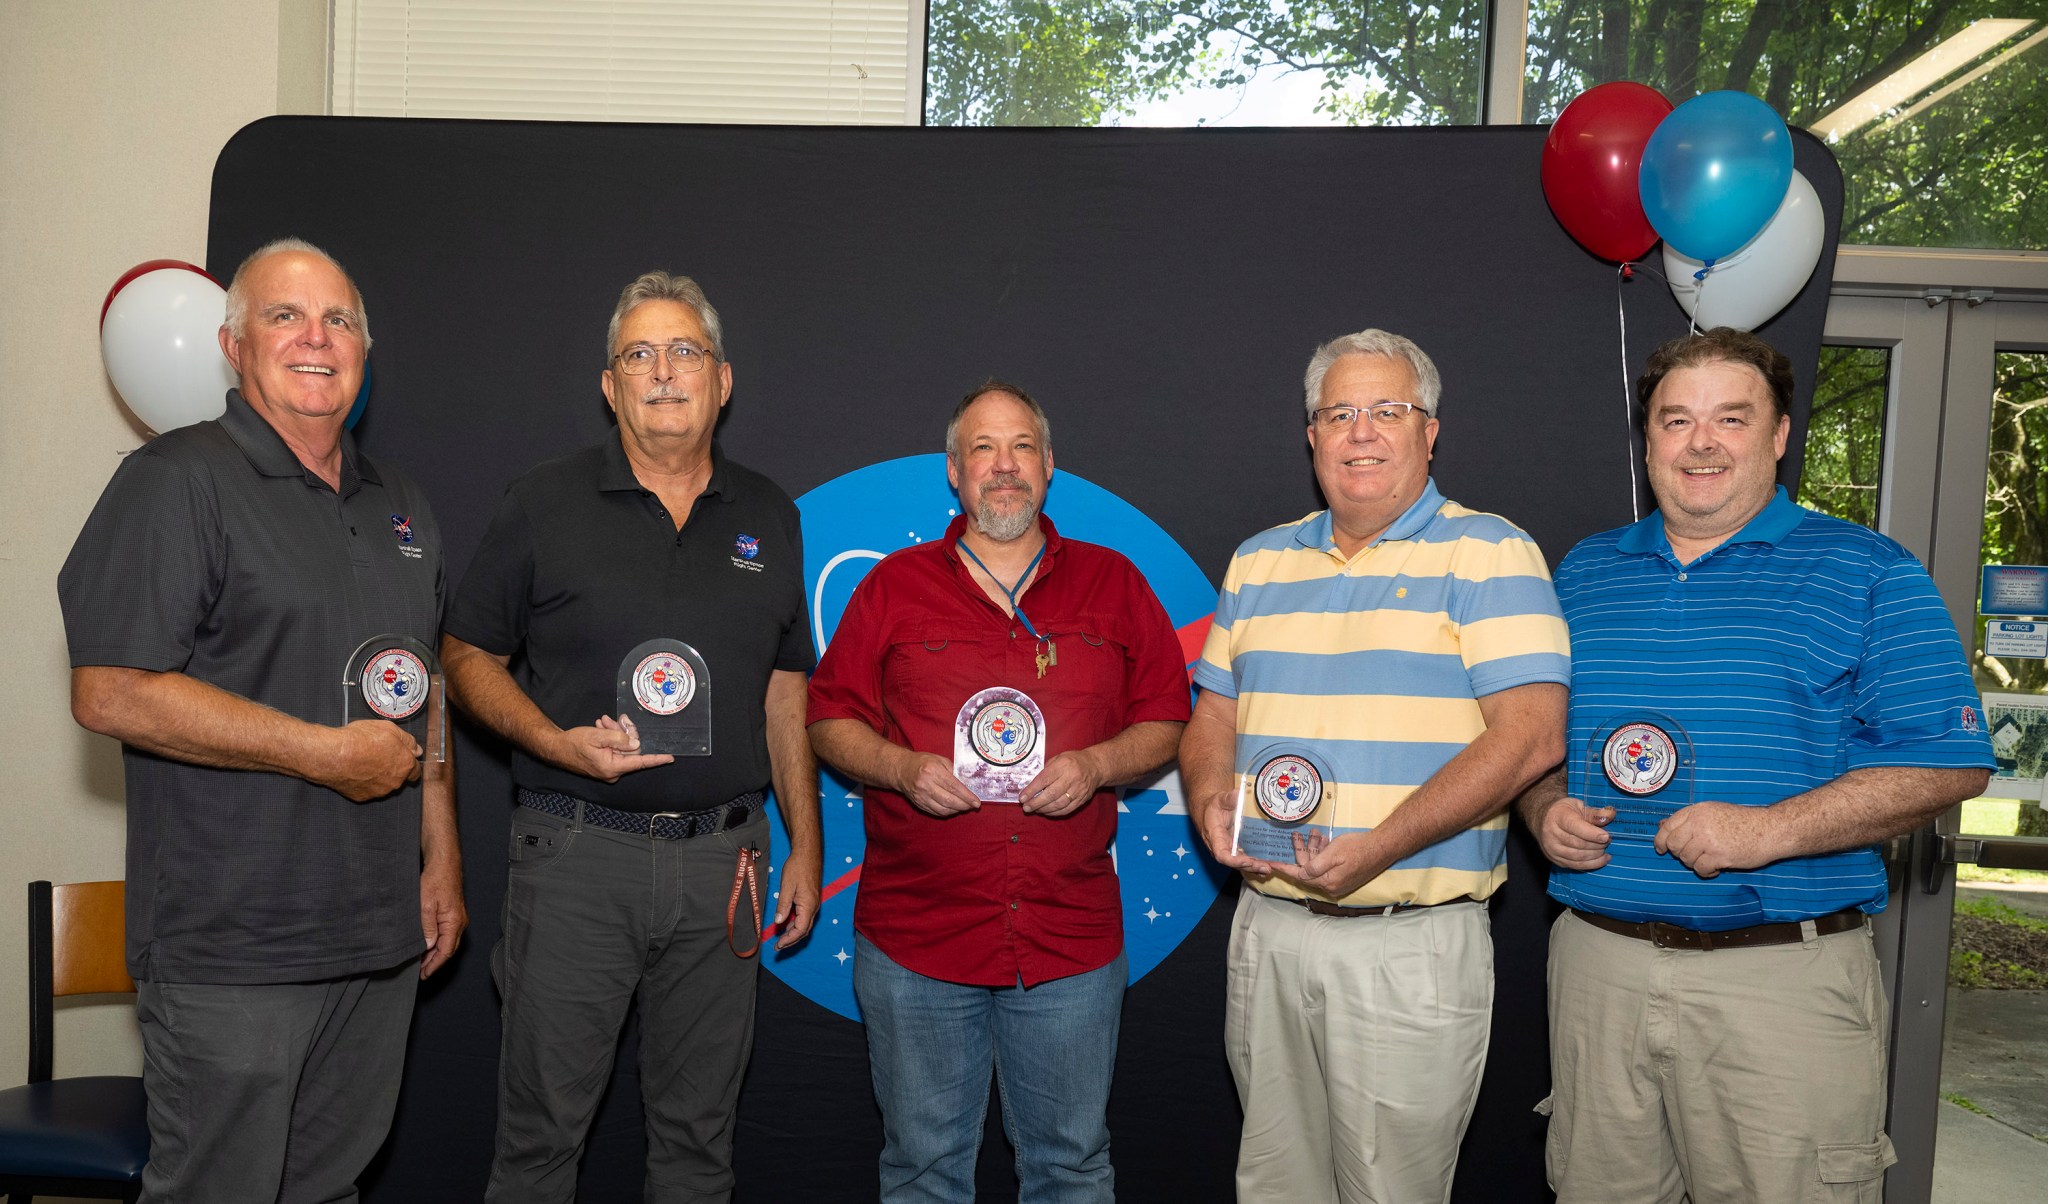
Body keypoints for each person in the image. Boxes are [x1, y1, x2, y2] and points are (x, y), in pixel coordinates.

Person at [1520, 328, 1995, 1204]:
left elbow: (1947, 765)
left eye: (1731, 418)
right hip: (1600, 972)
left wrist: (1765, 831)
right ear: (1649, 438)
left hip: (1780, 982)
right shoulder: (1583, 573)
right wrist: (1542, 803)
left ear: (1779, 437)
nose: (1701, 442)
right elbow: (1534, 738)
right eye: (1676, 420)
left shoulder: (1869, 571)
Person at [59, 238, 463, 1204]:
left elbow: (425, 689)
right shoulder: (177, 479)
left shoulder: (399, 502)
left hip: (374, 941)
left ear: (366, 348)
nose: (316, 338)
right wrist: (324, 755)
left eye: (339, 320)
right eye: (286, 316)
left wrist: (438, 855)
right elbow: (109, 688)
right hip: (233, 946)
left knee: (327, 1192)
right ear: (234, 346)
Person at [439, 271, 821, 1204]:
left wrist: (807, 844)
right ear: (609, 386)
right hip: (578, 856)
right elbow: (462, 653)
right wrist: (555, 740)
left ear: (722, 380)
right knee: (538, 1146)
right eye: (638, 355)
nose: (663, 373)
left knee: (698, 1148)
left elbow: (785, 691)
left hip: (725, 861)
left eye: (684, 351)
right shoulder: (541, 501)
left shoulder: (771, 513)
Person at [1180, 329, 1570, 1204]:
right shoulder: (1259, 559)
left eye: (1387, 411)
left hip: (1407, 941)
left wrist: (1378, 847)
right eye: (1339, 413)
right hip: (1270, 931)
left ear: (1429, 433)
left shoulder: (1490, 553)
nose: (1362, 432)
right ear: (1311, 436)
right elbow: (1212, 714)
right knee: (1274, 1185)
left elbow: (1532, 737)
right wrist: (1211, 797)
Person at [807, 381, 1191, 1202]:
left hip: (1067, 945)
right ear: (954, 471)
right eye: (984, 448)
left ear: (1050, 467)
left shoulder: (1113, 583)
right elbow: (828, 720)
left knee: (1071, 1169)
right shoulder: (893, 587)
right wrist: (903, 769)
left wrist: (1095, 766)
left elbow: (1169, 721)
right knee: (921, 1172)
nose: (1004, 466)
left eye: (1021, 447)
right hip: (917, 940)